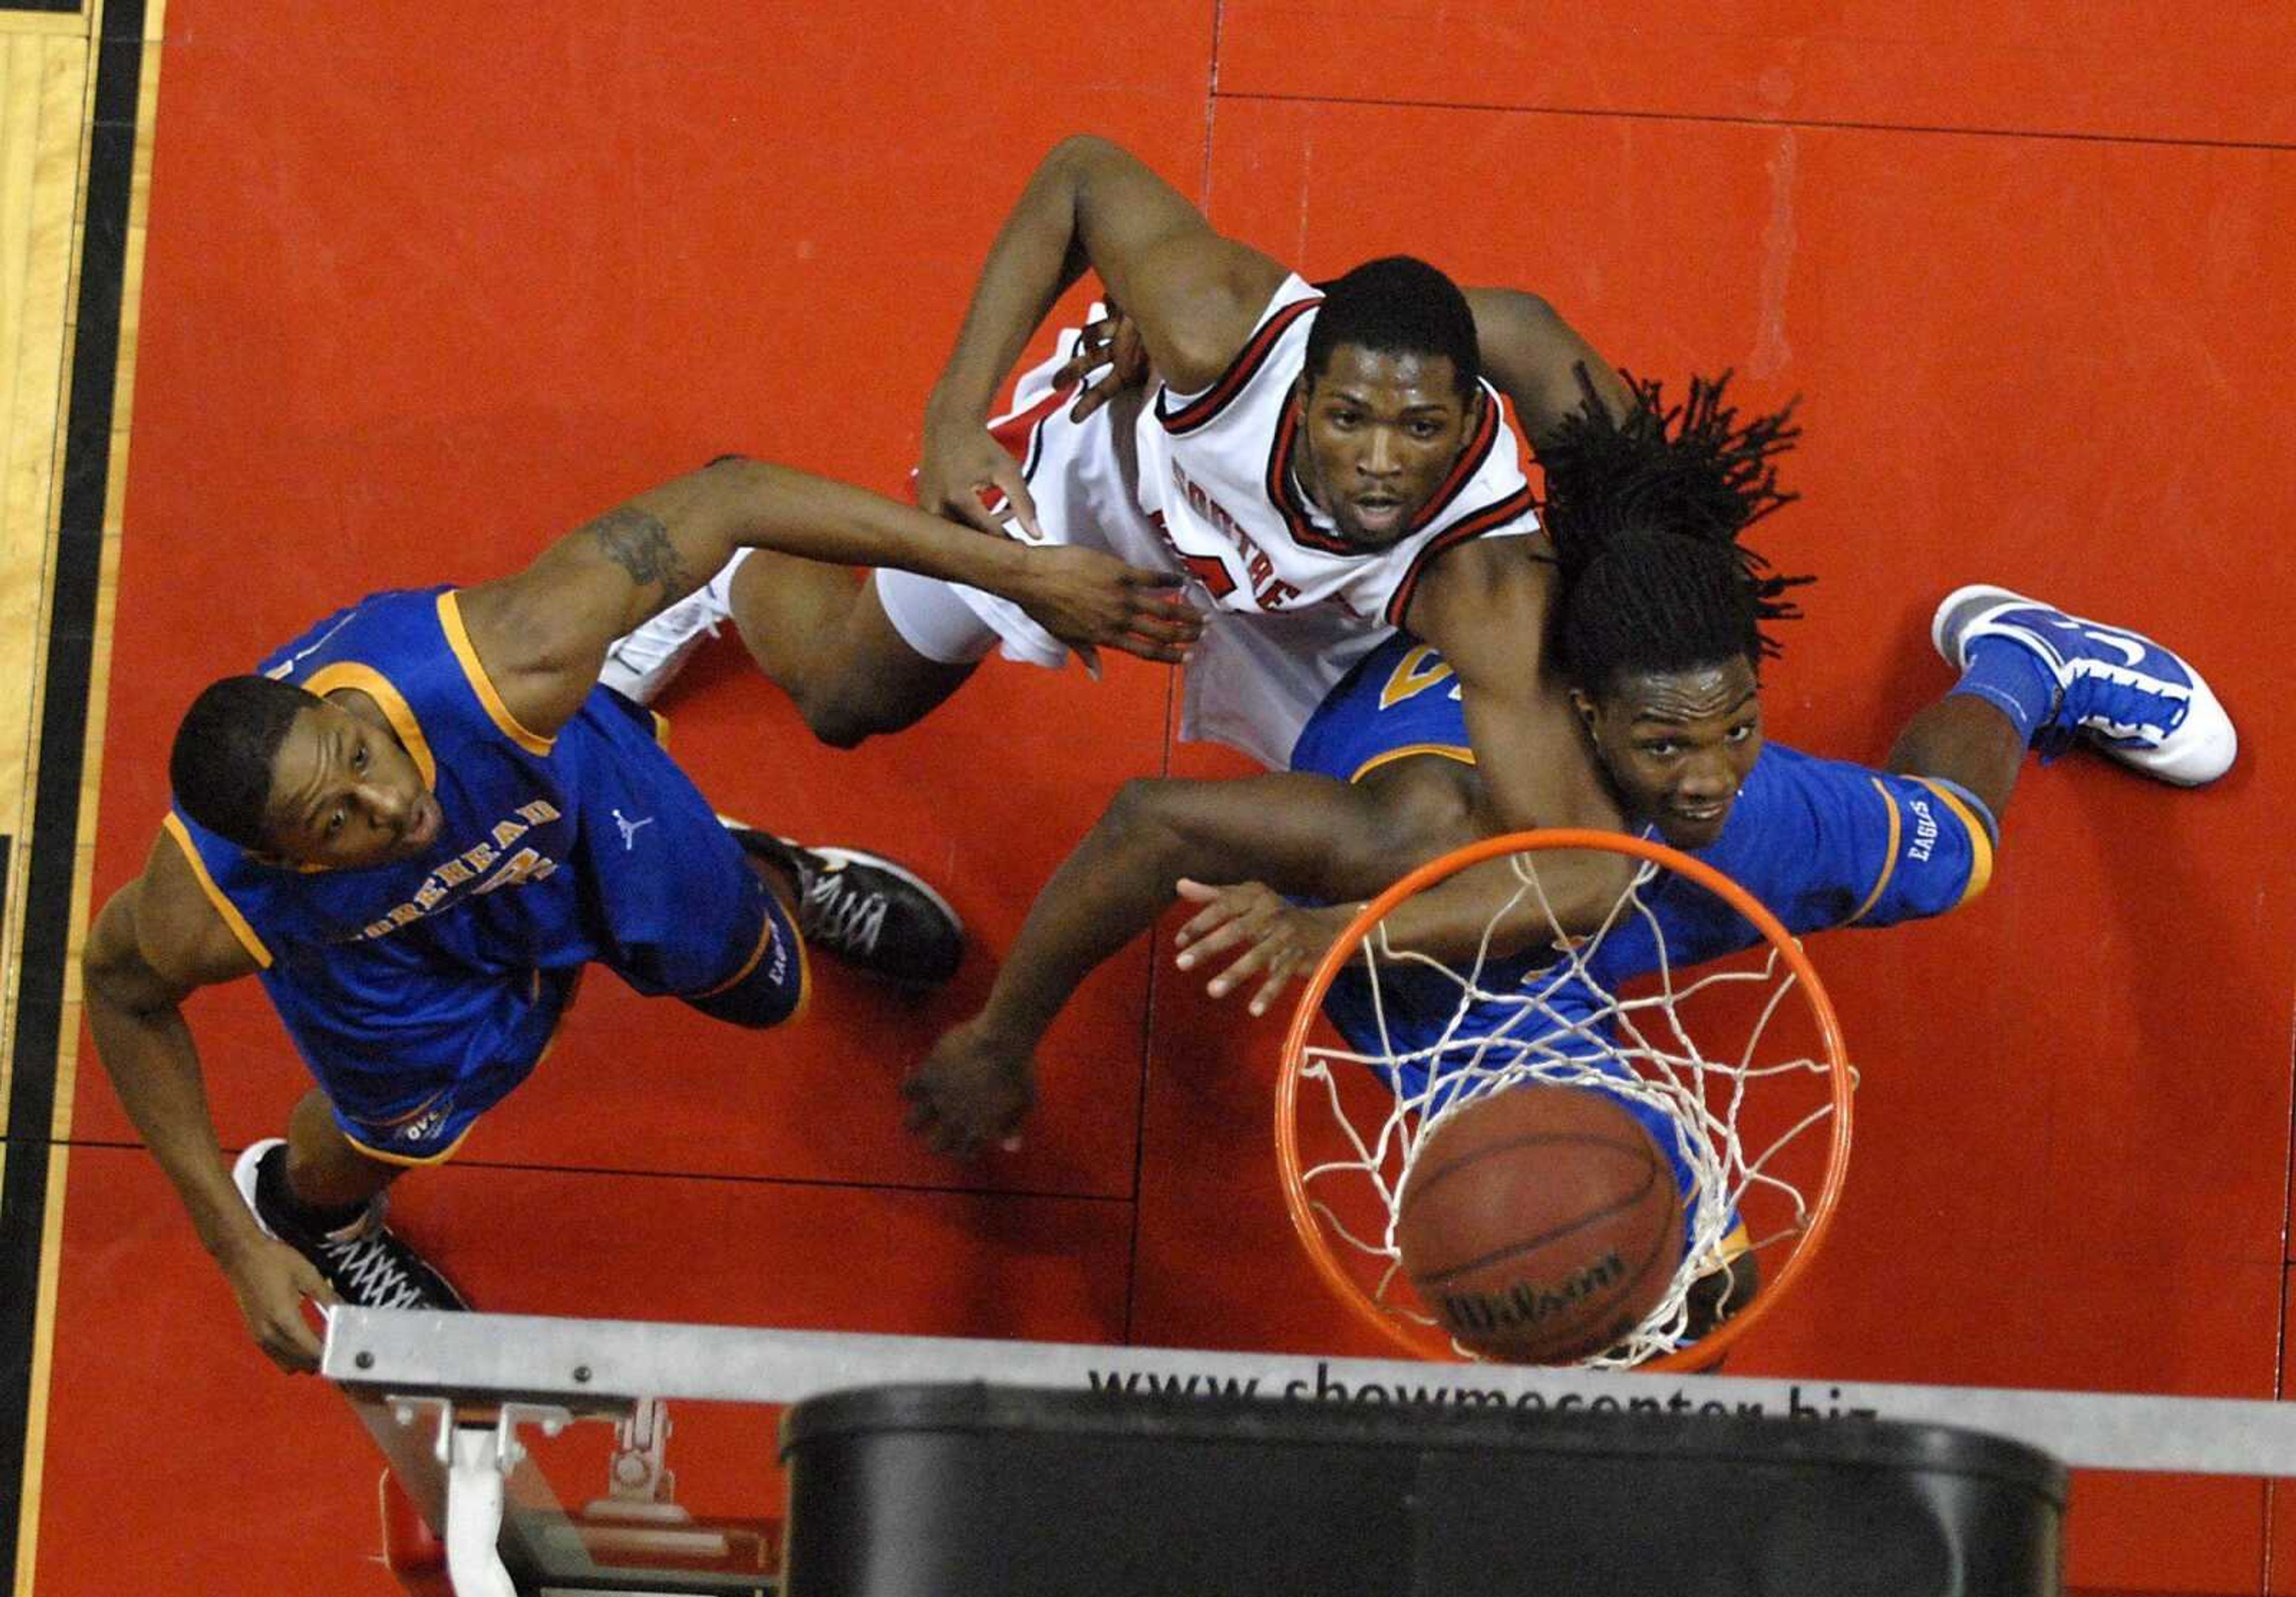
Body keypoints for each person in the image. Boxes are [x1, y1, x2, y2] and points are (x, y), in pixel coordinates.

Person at [897, 372, 2238, 1164]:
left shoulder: (1706, 780)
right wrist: (1000, 1035)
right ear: (1583, 718)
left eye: (1736, 726)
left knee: (1956, 854)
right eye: (1664, 743)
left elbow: (1611, 857)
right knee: (1599, 1269)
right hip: (1460, 965)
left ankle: (2026, 661)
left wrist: (1326, 939)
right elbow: (1145, 821)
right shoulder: (1407, 822)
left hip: (1574, 885)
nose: (1707, 774)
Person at [80, 453, 1202, 1373]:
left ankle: (760, 868)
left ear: (345, 708)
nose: (392, 805)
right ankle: (307, 1214)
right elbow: (121, 992)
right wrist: (234, 1250)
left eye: (363, 756)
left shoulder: (504, 658)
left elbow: (731, 497)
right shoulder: (214, 906)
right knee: (381, 1133)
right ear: (277, 858)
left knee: (758, 986)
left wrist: (1012, 570)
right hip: (389, 950)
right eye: (337, 820)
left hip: (558, 811)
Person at [599, 133, 1635, 834]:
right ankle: (737, 555)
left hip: (1314, 607)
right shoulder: (1212, 329)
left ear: (1467, 422)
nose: (1378, 461)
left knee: (1395, 803)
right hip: (1116, 491)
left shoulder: (1483, 567)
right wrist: (957, 419)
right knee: (845, 700)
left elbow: (1563, 836)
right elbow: (1081, 175)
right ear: (1306, 385)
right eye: (1348, 417)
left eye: (1418, 429)